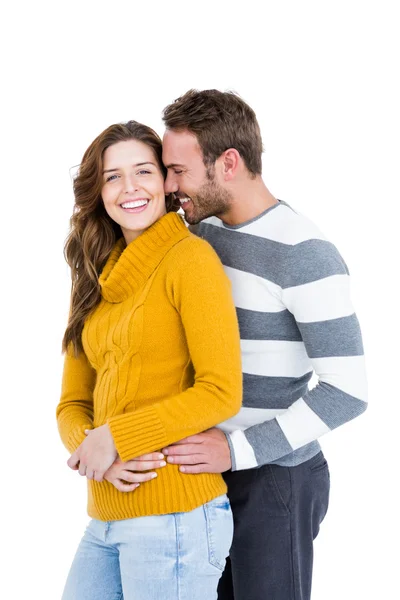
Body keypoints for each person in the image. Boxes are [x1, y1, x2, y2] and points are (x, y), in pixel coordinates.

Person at [156, 89, 367, 600]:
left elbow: (348, 391)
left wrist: (235, 450)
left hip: (276, 480)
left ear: (228, 163)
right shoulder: (200, 232)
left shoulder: (304, 253)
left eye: (179, 170)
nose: (168, 185)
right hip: (203, 475)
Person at [56, 120, 242, 600]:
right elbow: (72, 403)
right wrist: (97, 455)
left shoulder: (190, 260)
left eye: (143, 171)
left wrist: (116, 437)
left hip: (175, 518)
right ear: (98, 192)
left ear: (165, 182)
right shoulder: (96, 279)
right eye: (112, 176)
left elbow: (221, 391)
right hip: (105, 516)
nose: (129, 187)